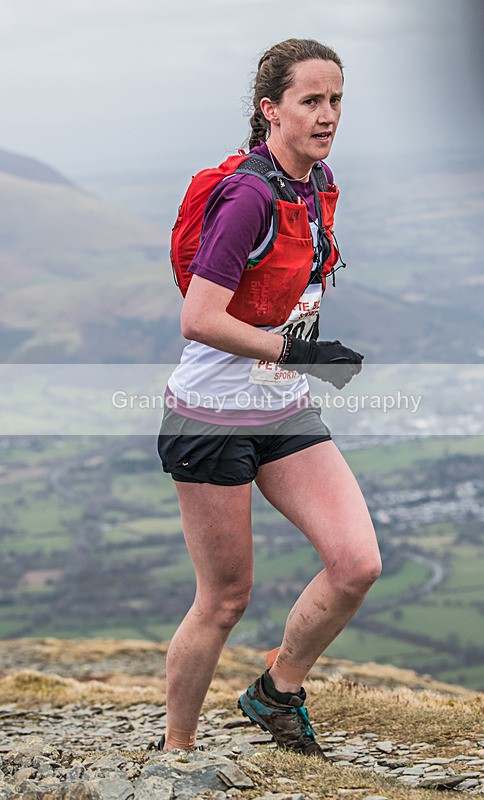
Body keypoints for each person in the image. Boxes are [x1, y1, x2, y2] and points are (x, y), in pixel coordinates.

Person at [157, 38, 381, 759]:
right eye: (310, 101)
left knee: (356, 564)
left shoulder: (315, 184)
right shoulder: (249, 196)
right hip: (210, 417)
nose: (327, 115)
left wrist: (300, 360)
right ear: (270, 110)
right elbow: (199, 318)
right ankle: (176, 757)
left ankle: (275, 693)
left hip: (283, 408)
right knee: (224, 599)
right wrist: (302, 354)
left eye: (335, 99)